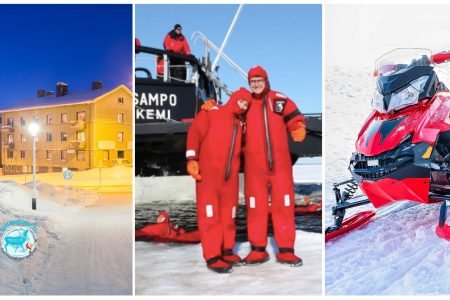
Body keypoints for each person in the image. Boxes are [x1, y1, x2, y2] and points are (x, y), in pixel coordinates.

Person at [243, 65, 306, 266]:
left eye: (259, 81)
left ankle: (286, 250)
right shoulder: (243, 103)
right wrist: (212, 109)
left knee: (284, 206)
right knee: (255, 208)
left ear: (266, 81)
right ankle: (258, 250)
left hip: (280, 167)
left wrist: (297, 127)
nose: (256, 85)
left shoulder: (279, 99)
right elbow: (226, 117)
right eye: (253, 82)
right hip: (254, 169)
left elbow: (295, 116)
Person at [186, 88, 252, 273]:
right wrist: (192, 158)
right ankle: (213, 255)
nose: (243, 105)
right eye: (241, 101)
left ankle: (226, 249)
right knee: (210, 216)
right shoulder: (213, 112)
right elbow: (194, 133)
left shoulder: (241, 123)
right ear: (235, 98)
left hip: (230, 179)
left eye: (246, 104)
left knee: (228, 216)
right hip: (209, 177)